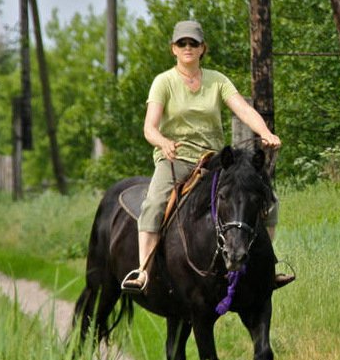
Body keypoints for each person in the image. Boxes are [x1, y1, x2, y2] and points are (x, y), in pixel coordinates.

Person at [121, 20, 293, 292]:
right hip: (176, 159)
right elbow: (149, 128)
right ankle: (143, 271)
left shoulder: (217, 80)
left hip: (214, 161)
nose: (187, 47)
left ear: (203, 48)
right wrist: (164, 142)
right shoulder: (163, 82)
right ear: (173, 49)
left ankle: (268, 267)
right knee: (154, 204)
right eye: (182, 43)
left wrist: (265, 132)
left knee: (268, 200)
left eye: (193, 43)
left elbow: (244, 110)